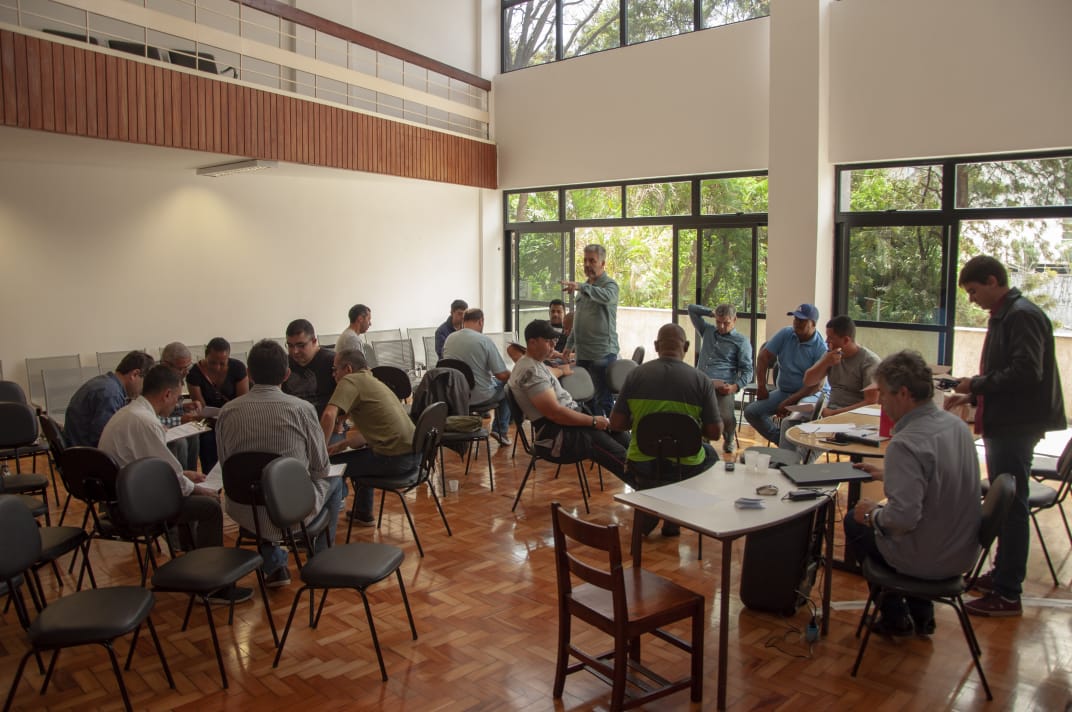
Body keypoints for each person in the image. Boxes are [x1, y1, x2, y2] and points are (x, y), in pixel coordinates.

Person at [945, 255, 1065, 617]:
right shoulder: (1008, 315)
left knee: (1011, 506)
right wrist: (973, 394)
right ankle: (1001, 575)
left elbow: (1026, 372)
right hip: (1007, 420)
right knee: (1008, 502)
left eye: (973, 290)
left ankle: (1009, 592)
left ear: (994, 280)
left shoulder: (1021, 315)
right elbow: (1007, 370)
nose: (971, 300)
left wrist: (977, 384)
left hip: (1016, 425)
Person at [845, 350, 981, 636]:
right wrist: (889, 474)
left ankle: (895, 617)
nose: (880, 401)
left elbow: (902, 518)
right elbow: (941, 478)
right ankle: (921, 614)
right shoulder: (955, 426)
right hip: (963, 552)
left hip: (928, 557)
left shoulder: (905, 443)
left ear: (903, 393)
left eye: (883, 394)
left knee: (854, 519)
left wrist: (871, 512)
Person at [216, 340, 347, 588]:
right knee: (334, 480)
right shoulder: (302, 409)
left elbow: (227, 466)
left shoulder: (227, 412)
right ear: (286, 374)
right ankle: (318, 561)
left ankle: (275, 567)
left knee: (259, 484)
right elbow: (320, 468)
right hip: (292, 510)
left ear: (250, 374)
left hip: (245, 508)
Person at [98, 366, 230, 578]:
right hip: (135, 507)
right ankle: (212, 575)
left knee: (188, 492)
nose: (177, 404)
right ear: (167, 394)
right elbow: (168, 478)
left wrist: (184, 475)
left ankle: (191, 554)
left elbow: (151, 464)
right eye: (177, 398)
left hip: (121, 497)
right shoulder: (146, 422)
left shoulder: (130, 413)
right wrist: (196, 488)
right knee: (210, 506)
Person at [610, 323, 722, 536]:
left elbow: (616, 424)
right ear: (686, 346)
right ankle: (676, 509)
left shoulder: (635, 376)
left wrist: (641, 419)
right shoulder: (702, 381)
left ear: (655, 345)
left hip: (644, 464)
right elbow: (715, 433)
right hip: (685, 467)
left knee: (652, 464)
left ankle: (654, 503)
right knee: (711, 455)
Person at [508, 320, 630, 484]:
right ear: (532, 342)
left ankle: (651, 481)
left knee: (621, 435)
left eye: (554, 341)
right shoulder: (531, 372)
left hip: (568, 424)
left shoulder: (532, 363)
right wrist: (593, 421)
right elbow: (555, 414)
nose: (553, 346)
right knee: (619, 455)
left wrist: (561, 370)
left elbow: (549, 374)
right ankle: (648, 487)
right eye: (548, 341)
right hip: (557, 436)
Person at [320, 348, 420, 528]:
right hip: (414, 457)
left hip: (394, 460)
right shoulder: (373, 381)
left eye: (335, 370)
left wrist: (319, 452)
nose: (333, 375)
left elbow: (328, 416)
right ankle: (362, 513)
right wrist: (344, 444)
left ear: (348, 369)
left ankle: (322, 528)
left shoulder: (350, 380)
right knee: (360, 453)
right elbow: (377, 431)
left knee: (331, 466)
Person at [778, 315, 879, 453]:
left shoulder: (869, 362)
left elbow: (871, 401)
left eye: (831, 338)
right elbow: (808, 381)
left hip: (853, 417)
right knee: (788, 423)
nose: (826, 341)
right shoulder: (831, 355)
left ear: (846, 340)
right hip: (829, 409)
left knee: (812, 440)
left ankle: (797, 465)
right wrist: (825, 362)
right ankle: (785, 462)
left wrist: (834, 413)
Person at [743, 303, 827, 444]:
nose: (797, 323)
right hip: (784, 392)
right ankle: (782, 441)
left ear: (813, 324)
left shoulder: (820, 348)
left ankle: (789, 448)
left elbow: (816, 386)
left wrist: (790, 401)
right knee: (751, 412)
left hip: (810, 395)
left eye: (802, 321)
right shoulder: (786, 333)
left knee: (793, 418)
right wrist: (762, 386)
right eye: (795, 319)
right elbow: (763, 357)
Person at [561, 244, 619, 416]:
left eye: (592, 260)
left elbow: (606, 297)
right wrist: (569, 345)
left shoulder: (610, 285)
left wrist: (581, 287)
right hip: (583, 354)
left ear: (603, 263)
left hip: (602, 354)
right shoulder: (584, 287)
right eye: (585, 260)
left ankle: (609, 437)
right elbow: (579, 319)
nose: (587, 264)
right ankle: (592, 439)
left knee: (603, 400)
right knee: (587, 400)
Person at [687, 302, 753, 454]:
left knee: (726, 417)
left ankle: (728, 436)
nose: (722, 327)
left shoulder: (741, 341)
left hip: (723, 386)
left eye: (726, 323)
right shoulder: (708, 331)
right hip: (701, 383)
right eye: (718, 322)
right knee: (694, 413)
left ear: (734, 320)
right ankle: (704, 442)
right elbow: (691, 309)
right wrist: (712, 312)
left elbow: (748, 370)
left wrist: (735, 387)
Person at [442, 308, 512, 445]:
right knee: (508, 386)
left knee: (486, 381)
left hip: (455, 395)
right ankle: (500, 430)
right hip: (480, 396)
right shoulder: (484, 341)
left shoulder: (449, 339)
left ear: (463, 321)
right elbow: (502, 375)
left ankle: (474, 422)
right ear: (481, 321)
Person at [64, 350, 154, 447]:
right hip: (87, 454)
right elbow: (105, 438)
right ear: (134, 374)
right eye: (145, 383)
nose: (143, 390)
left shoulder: (106, 383)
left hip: (76, 448)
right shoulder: (111, 394)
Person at [186, 338, 249, 472]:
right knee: (207, 442)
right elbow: (199, 406)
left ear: (228, 358)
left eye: (222, 363)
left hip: (234, 418)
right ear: (205, 356)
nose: (217, 367)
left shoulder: (237, 368)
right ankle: (211, 485)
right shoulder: (194, 373)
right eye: (212, 362)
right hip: (208, 422)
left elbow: (242, 400)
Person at [159, 342, 202, 471]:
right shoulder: (155, 381)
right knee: (180, 442)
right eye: (181, 368)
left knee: (194, 434)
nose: (185, 372)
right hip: (159, 427)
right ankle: (182, 480)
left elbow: (169, 407)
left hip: (170, 422)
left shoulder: (174, 378)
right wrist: (181, 420)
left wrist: (184, 407)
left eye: (187, 367)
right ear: (166, 364)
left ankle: (193, 476)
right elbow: (151, 417)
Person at [282, 319, 336, 416]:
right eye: (290, 345)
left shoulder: (332, 361)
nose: (295, 351)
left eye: (301, 345)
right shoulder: (283, 363)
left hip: (325, 422)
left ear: (314, 341)